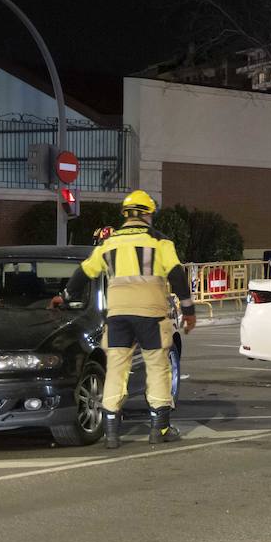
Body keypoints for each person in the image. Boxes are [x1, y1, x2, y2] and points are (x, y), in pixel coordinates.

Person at [53, 190, 196, 448]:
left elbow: (83, 272)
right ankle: (160, 429)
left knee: (116, 369)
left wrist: (63, 297)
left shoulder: (109, 244)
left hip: (118, 316)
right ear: (148, 214)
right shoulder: (160, 242)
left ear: (126, 215)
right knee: (157, 368)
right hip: (151, 316)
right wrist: (188, 311)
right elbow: (177, 276)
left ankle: (111, 433)